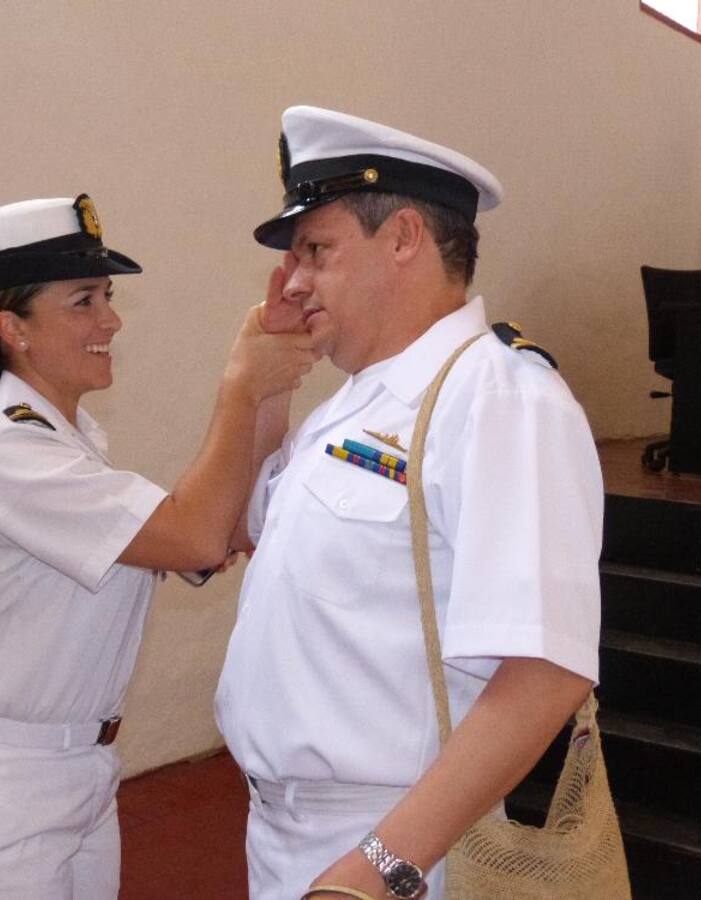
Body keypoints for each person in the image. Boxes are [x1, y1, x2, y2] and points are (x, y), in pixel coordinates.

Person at [215, 106, 603, 900]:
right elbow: (237, 529)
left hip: (401, 848)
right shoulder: (356, 405)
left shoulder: (500, 398)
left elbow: (545, 672)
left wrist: (377, 872)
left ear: (402, 237)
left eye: (316, 250)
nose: (293, 280)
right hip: (285, 832)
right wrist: (261, 384)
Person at [0, 193, 318, 900]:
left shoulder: (69, 442)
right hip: (0, 791)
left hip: (78, 772)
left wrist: (271, 387)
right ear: (14, 328)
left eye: (107, 297)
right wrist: (241, 387)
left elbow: (227, 529)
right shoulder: (4, 452)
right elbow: (194, 534)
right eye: (83, 301)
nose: (111, 319)